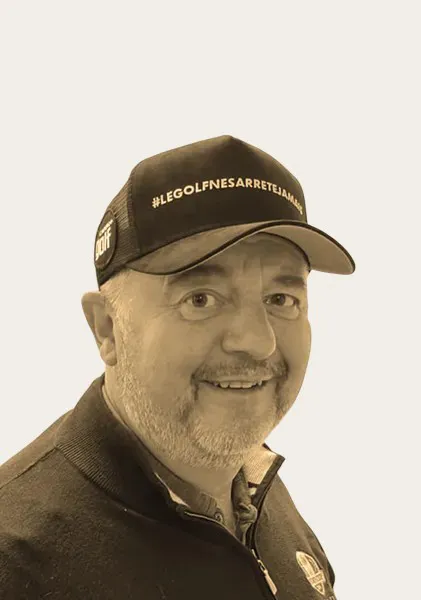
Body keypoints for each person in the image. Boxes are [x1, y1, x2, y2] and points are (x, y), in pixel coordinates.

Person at [0, 135, 355, 599]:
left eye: (281, 299)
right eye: (201, 299)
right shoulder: (16, 562)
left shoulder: (252, 489)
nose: (258, 341)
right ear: (107, 328)